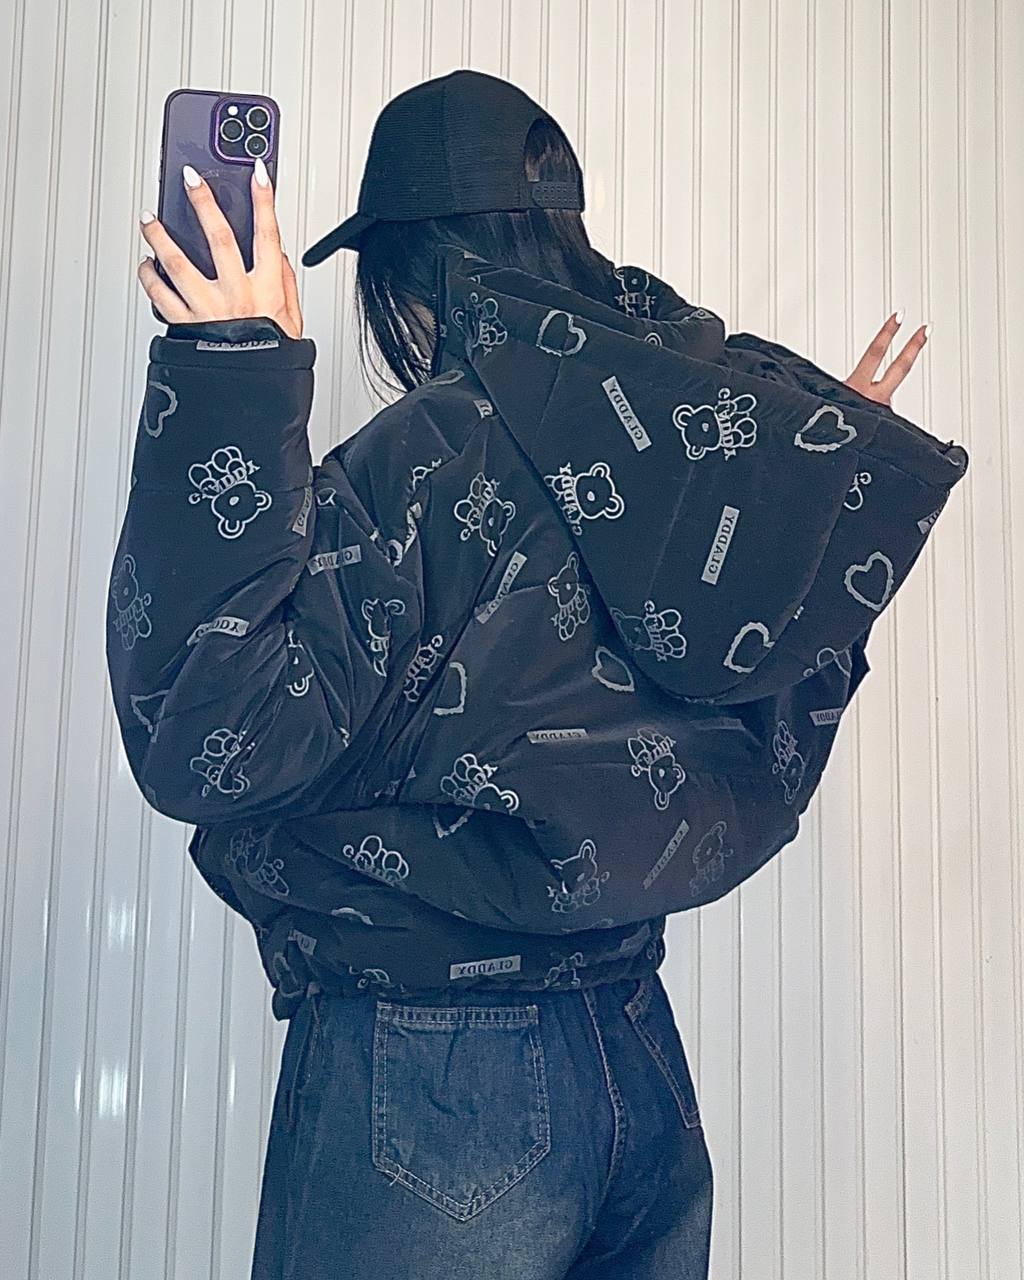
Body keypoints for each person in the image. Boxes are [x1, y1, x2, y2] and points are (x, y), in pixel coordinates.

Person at [116, 69, 966, 1280]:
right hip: (639, 1064)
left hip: (434, 1079)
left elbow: (210, 735)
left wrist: (231, 365)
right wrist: (803, 491)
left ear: (406, 273)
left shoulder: (438, 448)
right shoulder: (698, 442)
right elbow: (758, 728)